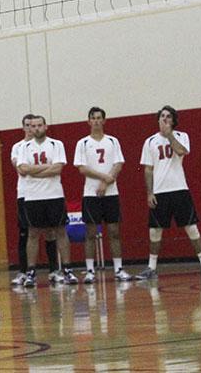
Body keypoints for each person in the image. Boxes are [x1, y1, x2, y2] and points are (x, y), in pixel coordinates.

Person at [135, 106, 201, 280]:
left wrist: (169, 134)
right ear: (158, 119)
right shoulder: (150, 141)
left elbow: (181, 151)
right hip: (160, 191)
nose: (165, 119)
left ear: (173, 120)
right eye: (162, 116)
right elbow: (147, 169)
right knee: (155, 231)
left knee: (191, 227)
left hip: (179, 188)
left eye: (168, 116)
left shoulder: (181, 136)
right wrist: (149, 192)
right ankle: (151, 268)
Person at [73, 107, 131, 283]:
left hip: (111, 193)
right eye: (93, 118)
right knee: (90, 233)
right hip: (91, 194)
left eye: (99, 118)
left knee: (114, 231)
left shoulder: (113, 141)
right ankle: (90, 271)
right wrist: (103, 177)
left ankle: (118, 269)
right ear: (88, 121)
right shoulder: (82, 143)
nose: (96, 121)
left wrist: (107, 182)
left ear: (104, 121)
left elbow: (118, 163)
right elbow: (82, 168)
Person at [18, 116, 77, 286]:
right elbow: (23, 169)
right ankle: (31, 272)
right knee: (33, 233)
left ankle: (67, 269)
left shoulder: (56, 144)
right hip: (33, 196)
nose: (36, 128)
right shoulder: (24, 147)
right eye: (33, 126)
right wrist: (47, 168)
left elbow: (58, 168)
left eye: (39, 125)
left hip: (54, 195)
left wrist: (34, 172)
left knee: (60, 231)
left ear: (45, 126)